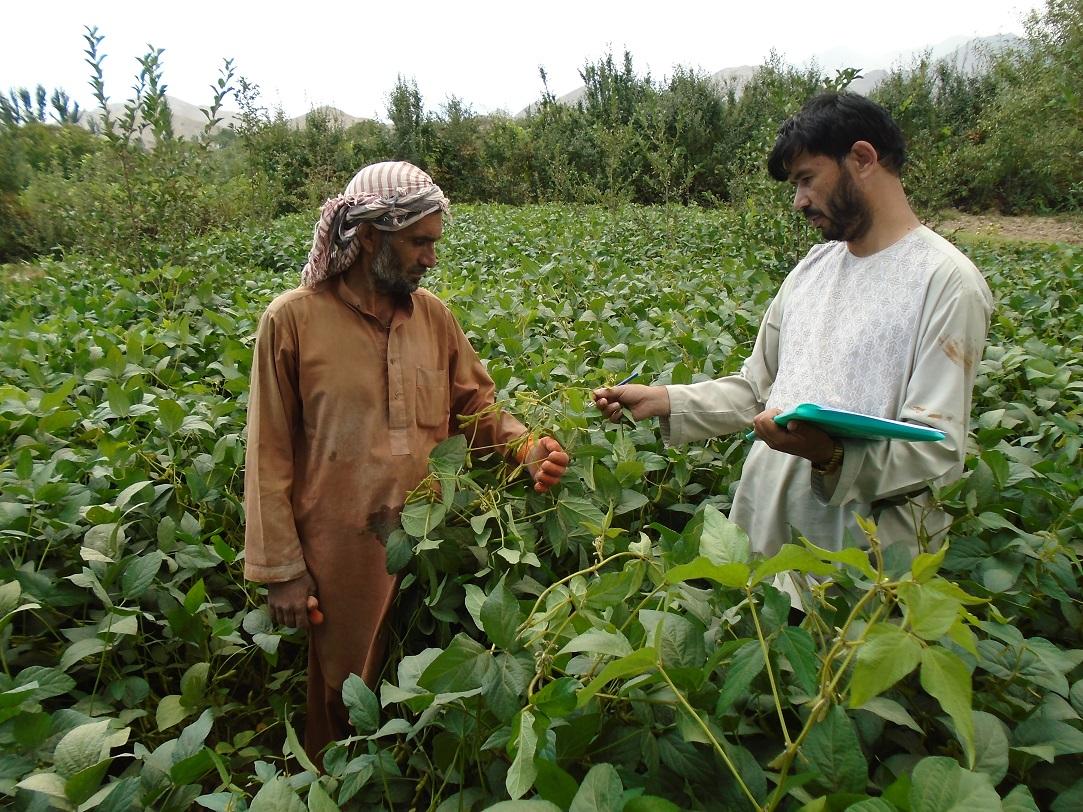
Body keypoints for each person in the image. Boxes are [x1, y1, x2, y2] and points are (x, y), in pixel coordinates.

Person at [243, 161, 570, 764]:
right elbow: (268, 455)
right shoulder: (292, 321)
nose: (430, 258)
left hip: (432, 540)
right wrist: (282, 569)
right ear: (369, 237)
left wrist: (527, 448)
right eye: (420, 242)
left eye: (434, 243)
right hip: (340, 555)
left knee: (426, 702)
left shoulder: (435, 319)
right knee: (345, 699)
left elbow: (477, 408)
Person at [594, 92, 992, 578]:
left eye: (807, 179)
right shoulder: (814, 268)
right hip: (766, 532)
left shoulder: (945, 280)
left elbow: (937, 448)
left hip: (857, 566)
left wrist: (830, 455)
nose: (799, 200)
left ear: (862, 158)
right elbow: (758, 391)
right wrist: (663, 400)